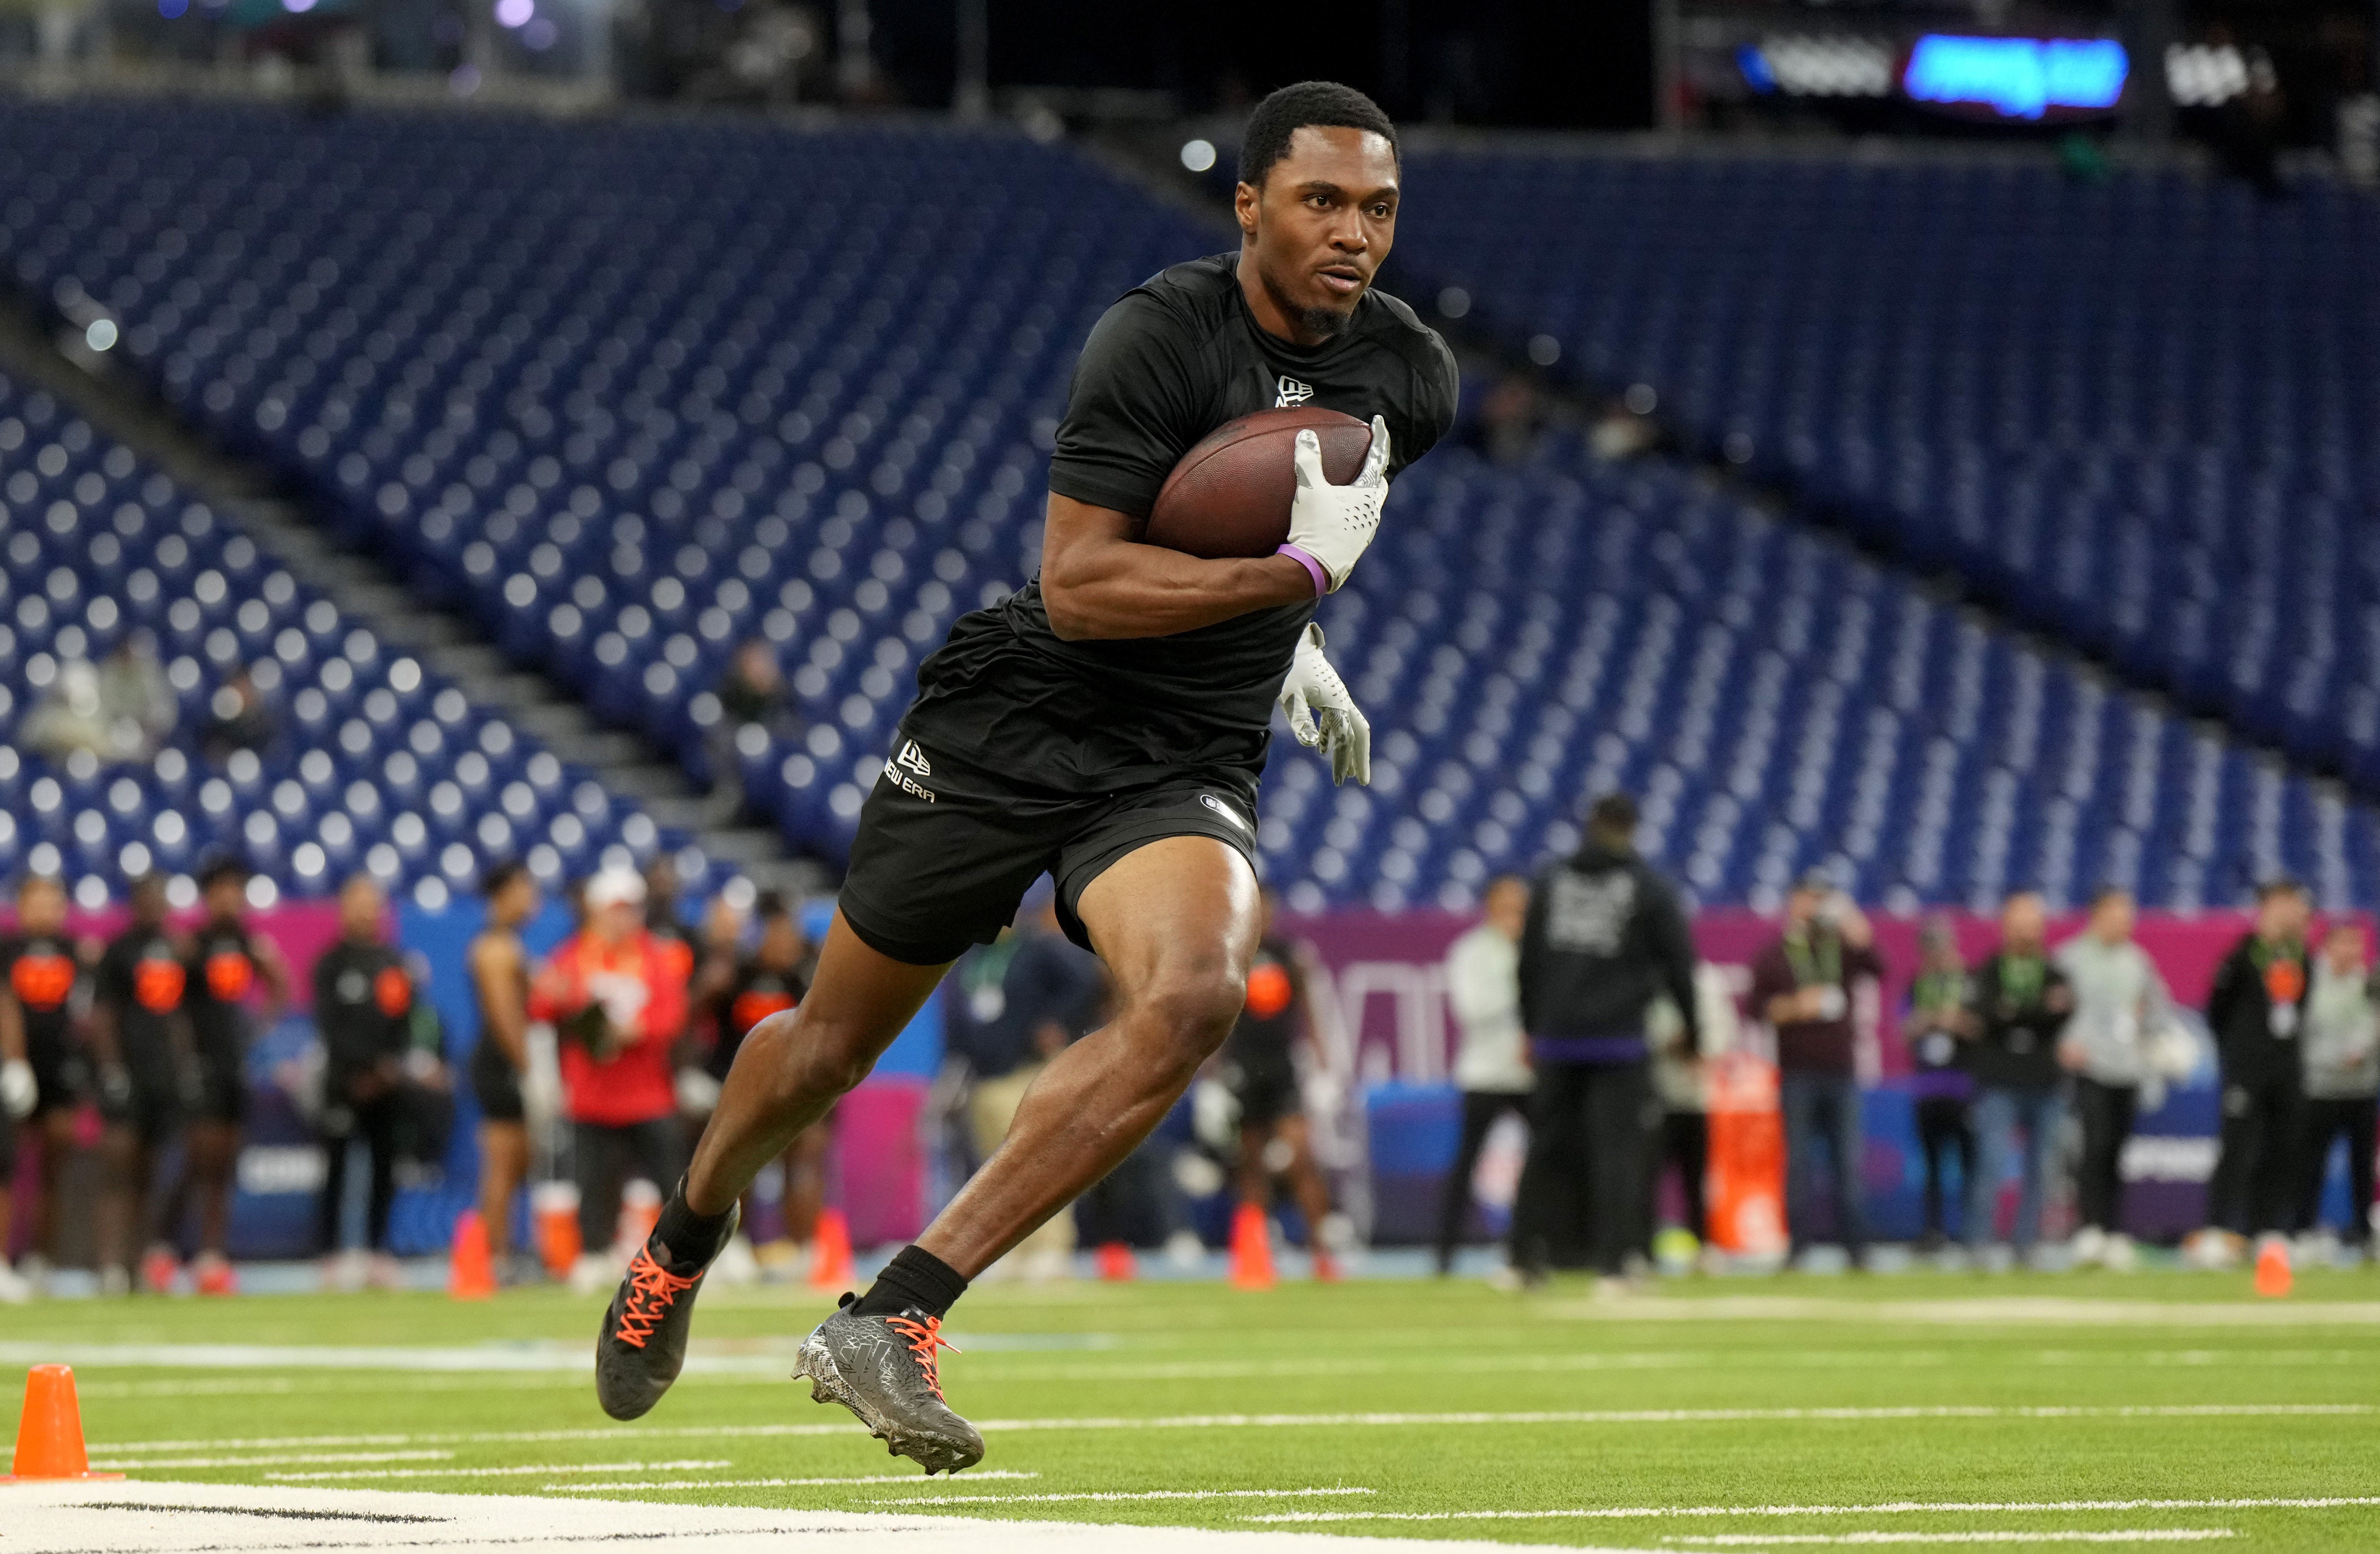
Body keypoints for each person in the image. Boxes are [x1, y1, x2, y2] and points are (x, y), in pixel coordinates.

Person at [590, 79, 1456, 1474]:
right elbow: (1084, 583)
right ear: (1247, 206)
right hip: (1022, 713)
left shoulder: (1410, 374)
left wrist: (1291, 637)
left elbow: (1308, 509)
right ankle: (683, 1232)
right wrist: (1285, 585)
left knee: (1194, 995)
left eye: (1377, 208)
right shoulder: (1158, 335)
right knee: (828, 1049)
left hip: (1179, 751)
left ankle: (898, 1311)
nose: (1352, 232)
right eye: (1319, 201)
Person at [1509, 793, 1698, 1288]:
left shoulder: (1551, 879)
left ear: (1590, 825)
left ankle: (1522, 1256)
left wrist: (1530, 1026)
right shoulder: (1647, 885)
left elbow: (1527, 961)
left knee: (1544, 1149)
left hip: (1556, 1037)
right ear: (1632, 828)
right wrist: (1693, 1031)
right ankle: (1614, 1263)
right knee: (1618, 1152)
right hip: (1617, 1040)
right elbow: (1679, 965)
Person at [529, 864, 691, 1295]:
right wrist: (561, 998)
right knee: (594, 1179)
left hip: (648, 1093)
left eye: (630, 909)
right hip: (593, 1094)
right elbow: (543, 1005)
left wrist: (639, 1030)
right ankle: (594, 1253)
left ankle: (686, 1258)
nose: (624, 918)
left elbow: (673, 1014)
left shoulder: (654, 956)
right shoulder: (573, 955)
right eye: (616, 909)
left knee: (673, 1179)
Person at [944, 893, 1108, 1281]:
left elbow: (1085, 981)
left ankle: (1051, 1245)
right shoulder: (974, 955)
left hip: (1026, 1070)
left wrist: (1057, 1023)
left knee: (1039, 1160)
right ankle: (1008, 1247)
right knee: (992, 1171)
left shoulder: (1037, 948)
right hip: (984, 1075)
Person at [1749, 872, 1883, 1268]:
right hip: (1798, 1072)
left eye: (1822, 897)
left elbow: (1878, 965)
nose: (1815, 905)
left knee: (1848, 1162)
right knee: (1799, 1163)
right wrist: (1796, 1006)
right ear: (1794, 901)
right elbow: (1758, 1009)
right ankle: (1798, 1247)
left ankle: (1856, 1248)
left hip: (1841, 1070)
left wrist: (1851, 917)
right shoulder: (1775, 953)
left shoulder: (1838, 945)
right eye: (1809, 896)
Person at [175, 856, 291, 1294]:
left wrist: (258, 1025)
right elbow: (174, 1007)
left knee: (224, 1164)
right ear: (207, 897)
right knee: (198, 1160)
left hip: (232, 1063)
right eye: (221, 889)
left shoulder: (247, 942)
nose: (230, 897)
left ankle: (212, 1254)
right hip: (200, 1062)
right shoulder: (192, 943)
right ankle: (167, 1247)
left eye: (235, 889)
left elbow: (279, 983)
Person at [1219, 886, 1343, 1282]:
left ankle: (1321, 1251)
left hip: (1282, 1067)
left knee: (1302, 1157)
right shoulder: (1229, 955)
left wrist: (1322, 1060)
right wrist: (1211, 1070)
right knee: (1250, 1162)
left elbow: (1309, 1009)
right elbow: (1215, 1015)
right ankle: (1256, 1252)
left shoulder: (1290, 955)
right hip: (1244, 1068)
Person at [2055, 887, 2173, 1270]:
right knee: (2094, 1146)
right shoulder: (2069, 958)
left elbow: (2159, 1008)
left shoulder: (2138, 960)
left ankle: (2111, 1229)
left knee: (2117, 1151)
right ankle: (2090, 1228)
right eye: (2118, 912)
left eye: (2129, 913)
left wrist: (2151, 1034)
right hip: (2090, 1067)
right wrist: (2064, 1043)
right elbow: (2051, 1010)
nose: (2126, 920)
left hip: (2127, 1066)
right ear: (2097, 914)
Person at [90, 872, 194, 1295]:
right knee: (119, 1168)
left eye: (160, 899)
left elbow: (179, 1016)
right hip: (128, 1071)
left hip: (162, 1076)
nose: (154, 907)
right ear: (134, 904)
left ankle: (138, 1263)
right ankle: (110, 1265)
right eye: (147, 899)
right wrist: (112, 1068)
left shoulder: (175, 951)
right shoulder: (118, 951)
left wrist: (184, 1064)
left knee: (151, 1173)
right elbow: (103, 1015)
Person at [312, 875, 417, 1288]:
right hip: (343, 1083)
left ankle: (378, 1251)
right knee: (336, 1169)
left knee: (384, 1169)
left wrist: (388, 1068)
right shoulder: (331, 963)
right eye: (357, 903)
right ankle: (330, 1253)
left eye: (372, 904)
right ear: (343, 910)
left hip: (387, 1085)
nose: (365, 912)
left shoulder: (394, 962)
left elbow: (405, 1019)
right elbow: (330, 1024)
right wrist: (358, 1071)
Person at [2203, 880, 2315, 1263]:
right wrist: (2238, 1052)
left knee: (2282, 1150)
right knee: (2237, 1148)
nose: (2290, 912)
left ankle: (2266, 1229)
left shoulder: (2300, 954)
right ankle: (2219, 1229)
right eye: (2283, 904)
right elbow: (2217, 1006)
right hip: (2247, 1068)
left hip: (2287, 1068)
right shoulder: (2246, 952)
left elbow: (2302, 1010)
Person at [1961, 891, 2074, 1267]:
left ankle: (2026, 1247)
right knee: (1991, 1166)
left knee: (2041, 1170)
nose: (2028, 930)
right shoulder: (1989, 970)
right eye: (2021, 922)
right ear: (2006, 925)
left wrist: (2015, 1013)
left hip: (2044, 1081)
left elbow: (2061, 1012)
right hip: (2000, 1081)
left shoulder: (2055, 970)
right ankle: (1979, 1246)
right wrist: (2035, 1012)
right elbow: (1984, 1016)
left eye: (2034, 922)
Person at [705, 891, 815, 1277]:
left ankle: (806, 1249)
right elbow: (702, 1021)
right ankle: (736, 1245)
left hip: (794, 1090)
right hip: (740, 1090)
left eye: (791, 935)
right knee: (739, 1167)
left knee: (802, 1163)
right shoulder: (737, 974)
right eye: (779, 934)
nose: (787, 943)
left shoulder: (805, 977)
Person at [1433, 874, 1531, 1275]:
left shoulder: (1537, 948)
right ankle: (1444, 1253)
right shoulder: (1470, 952)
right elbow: (1472, 1009)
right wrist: (1520, 985)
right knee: (1466, 1162)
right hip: (1485, 1071)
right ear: (1490, 905)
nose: (1514, 913)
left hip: (1530, 1074)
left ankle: (1530, 1246)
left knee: (1546, 1163)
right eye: (1506, 903)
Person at [0, 875, 86, 1301]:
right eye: (38, 901)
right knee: (5, 1166)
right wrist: (13, 1061)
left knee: (56, 1162)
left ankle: (41, 1259)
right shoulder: (6, 950)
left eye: (55, 901)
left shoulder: (75, 951)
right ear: (20, 906)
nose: (47, 910)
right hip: (14, 1069)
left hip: (60, 1069)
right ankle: (3, 1260)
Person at [468, 859, 542, 1284]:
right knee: (502, 1162)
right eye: (525, 888)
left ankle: (504, 1252)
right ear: (505, 893)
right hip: (501, 1064)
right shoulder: (496, 948)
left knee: (516, 1163)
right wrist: (528, 1068)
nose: (531, 899)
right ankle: (492, 1258)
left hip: (505, 1061)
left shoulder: (508, 944)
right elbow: (504, 1016)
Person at [2296, 920, 2375, 1261]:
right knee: (2310, 1164)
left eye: (2356, 944)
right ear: (2326, 948)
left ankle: (2363, 1234)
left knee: (2363, 1167)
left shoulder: (2369, 983)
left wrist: (2362, 1052)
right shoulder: (2311, 983)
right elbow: (2300, 1032)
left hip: (2362, 1090)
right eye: (2342, 943)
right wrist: (2334, 1060)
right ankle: (2303, 1231)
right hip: (2320, 1089)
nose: (2350, 951)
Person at [1902, 917, 1974, 1253]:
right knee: (1931, 1168)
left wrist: (1957, 1021)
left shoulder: (1968, 984)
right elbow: (1904, 1029)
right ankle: (1934, 1232)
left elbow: (1984, 1026)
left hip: (1964, 1087)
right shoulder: (1918, 986)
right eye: (1931, 949)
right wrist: (1925, 1021)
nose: (1938, 955)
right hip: (1928, 1088)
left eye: (1942, 947)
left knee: (1971, 1163)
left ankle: (1974, 1231)